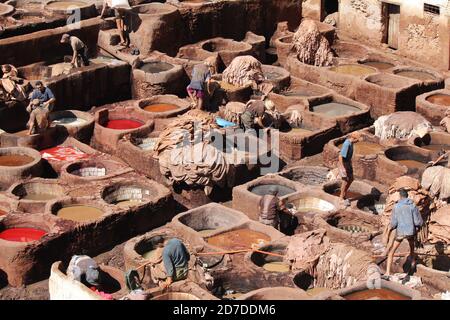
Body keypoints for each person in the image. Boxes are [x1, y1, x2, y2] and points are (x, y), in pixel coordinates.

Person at [385, 189, 423, 276]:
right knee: (412, 249)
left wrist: (390, 229)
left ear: (400, 196)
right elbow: (417, 222)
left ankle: (387, 273)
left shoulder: (396, 206)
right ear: (407, 196)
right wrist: (419, 225)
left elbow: (394, 223)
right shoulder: (413, 206)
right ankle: (412, 266)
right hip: (411, 232)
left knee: (391, 252)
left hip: (401, 232)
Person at [338, 131, 361, 206]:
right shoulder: (347, 144)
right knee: (345, 180)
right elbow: (340, 156)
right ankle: (341, 198)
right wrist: (343, 167)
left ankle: (344, 192)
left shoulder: (351, 143)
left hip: (348, 163)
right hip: (344, 164)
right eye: (358, 139)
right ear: (354, 138)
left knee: (351, 179)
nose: (358, 141)